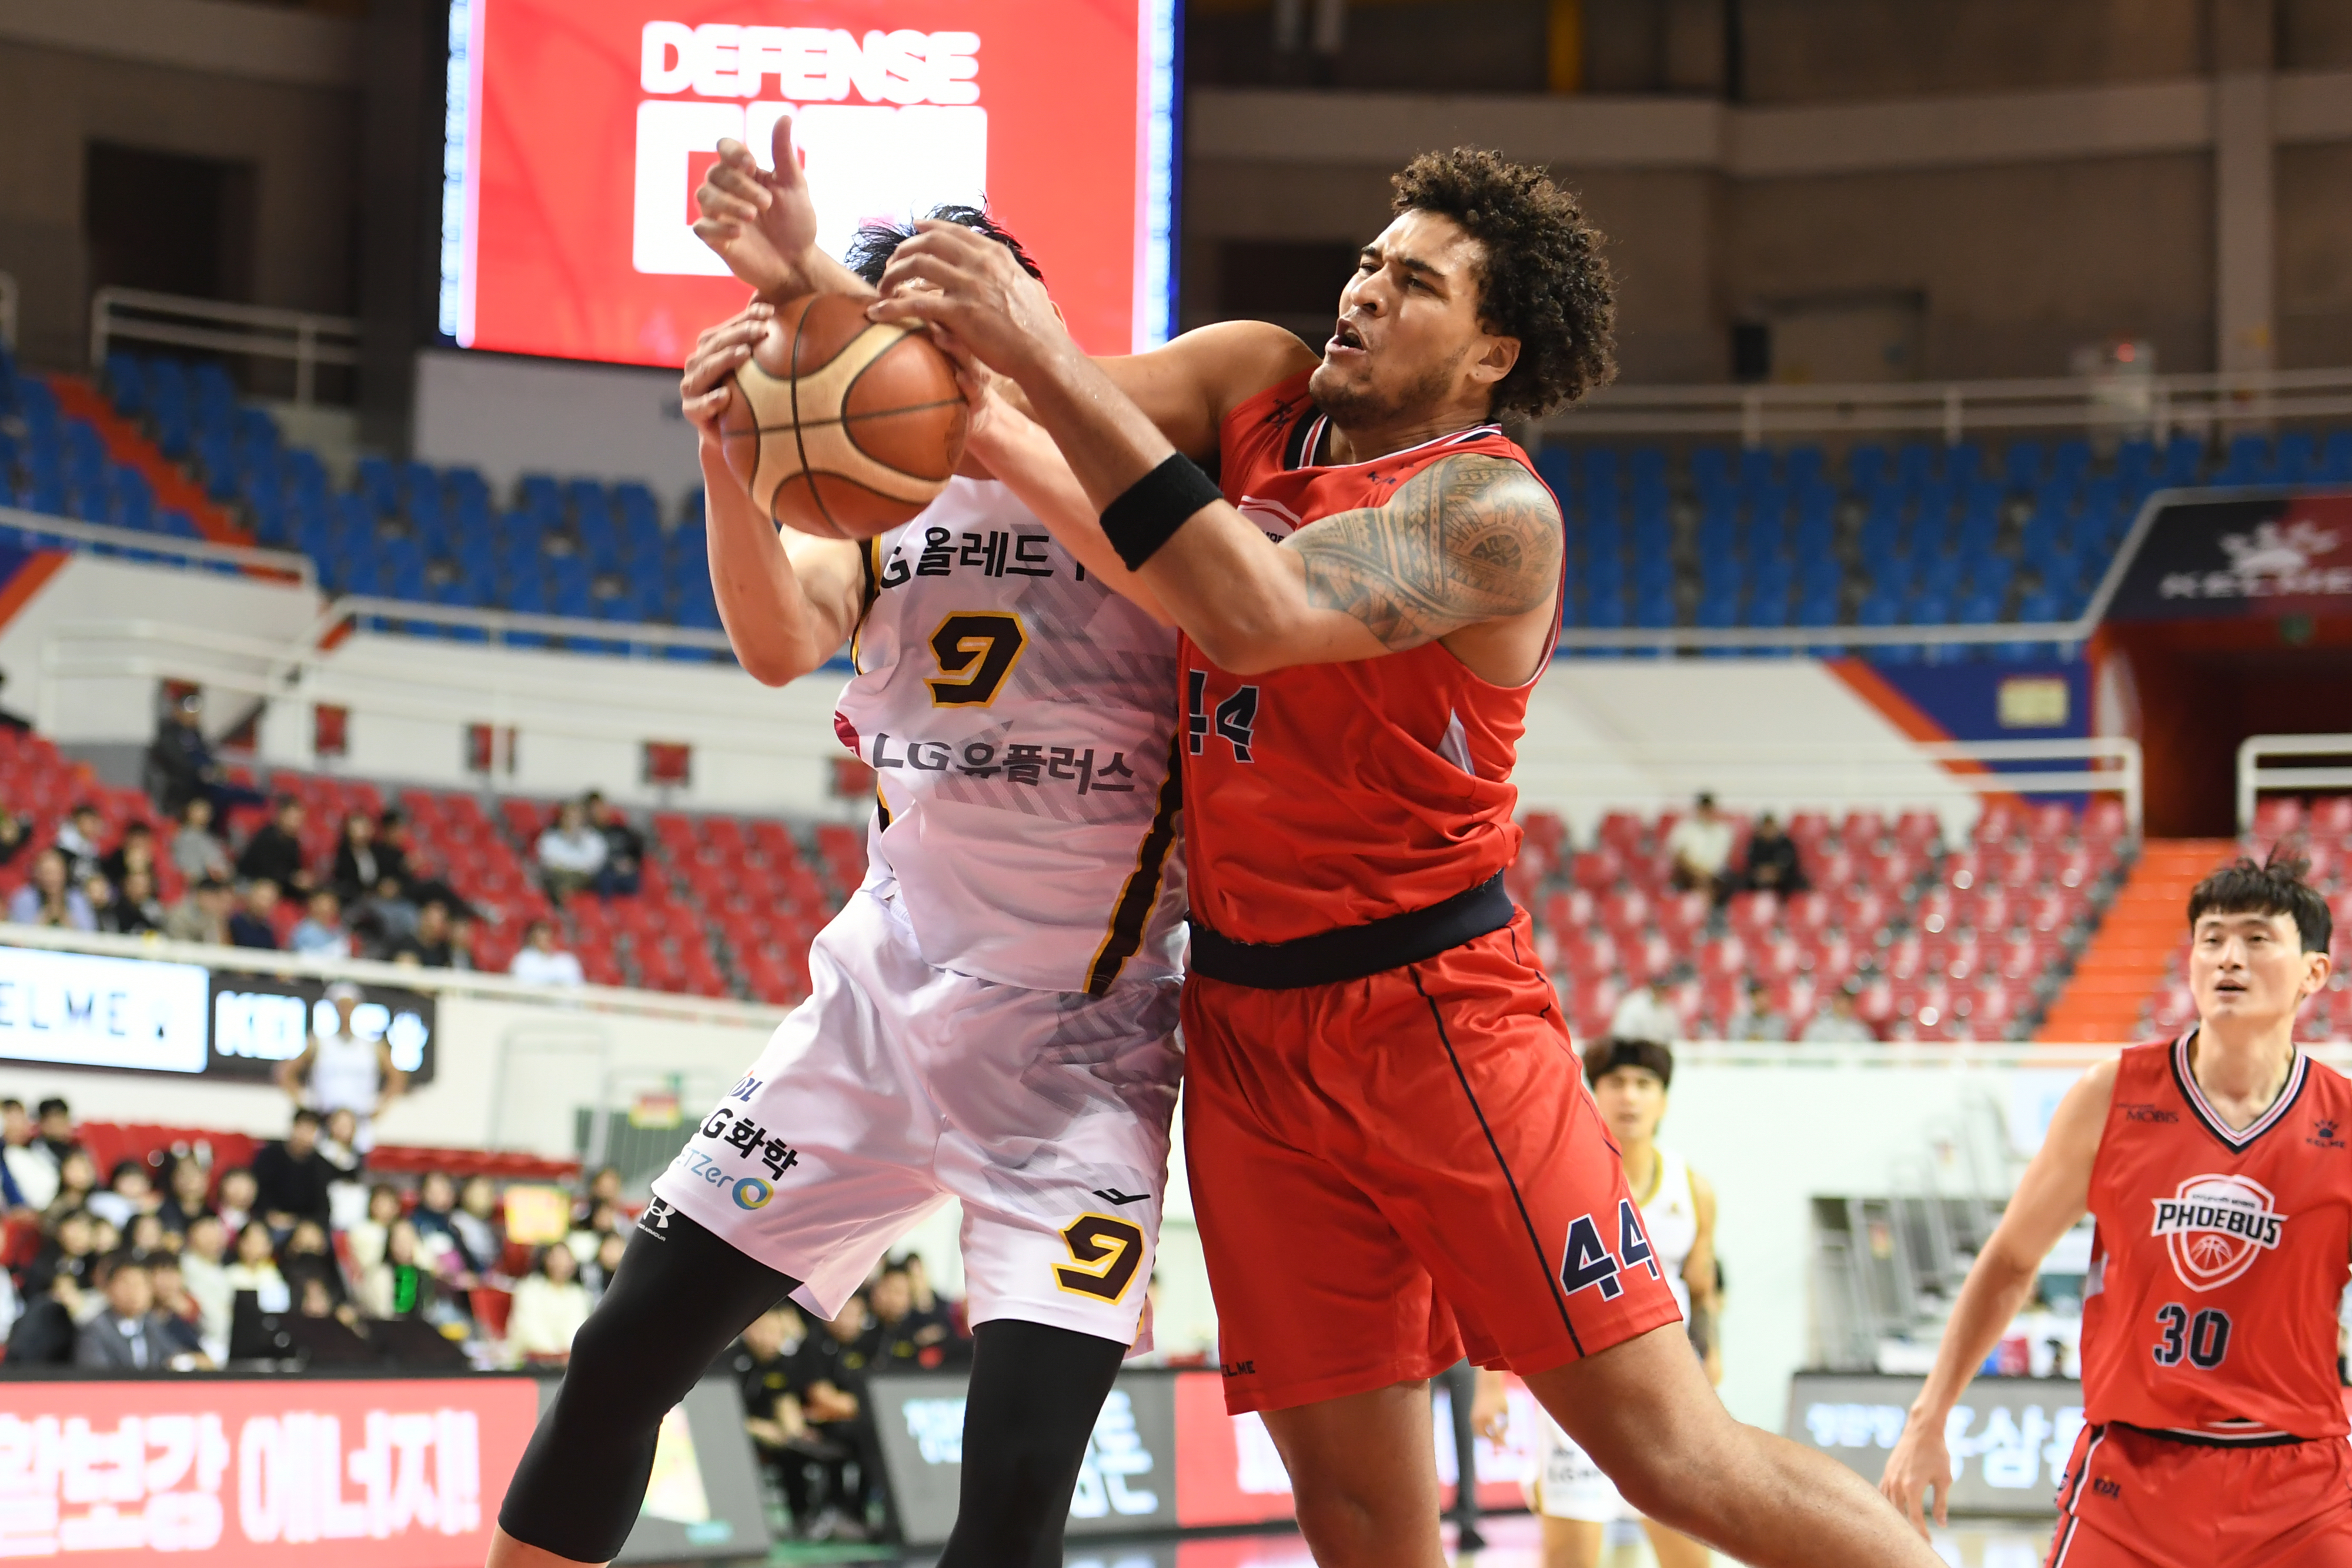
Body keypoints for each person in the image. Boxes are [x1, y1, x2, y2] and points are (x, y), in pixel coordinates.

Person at [861, 135, 1938, 1564]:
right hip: (1243, 1027)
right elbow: (971, 421)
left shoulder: (1491, 518)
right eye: (1367, 262)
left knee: (1673, 1462)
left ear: (1491, 350)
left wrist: (1036, 360)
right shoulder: (1254, 376)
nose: (1363, 291)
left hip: (1434, 1017)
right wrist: (818, 318)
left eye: (1412, 283)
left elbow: (1246, 608)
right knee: (1359, 1514)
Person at [485, 163, 1187, 1568]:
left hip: (1079, 1056)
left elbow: (1199, 585)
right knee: (623, 1355)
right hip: (879, 1010)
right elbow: (773, 641)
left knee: (1018, 1488)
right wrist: (729, 462)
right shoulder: (879, 508)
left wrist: (997, 414)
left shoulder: (1141, 486)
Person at [1881, 851, 2346, 1566]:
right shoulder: (2113, 1095)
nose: (2229, 957)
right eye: (2212, 938)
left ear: (2313, 972)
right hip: (2132, 1473)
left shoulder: (2343, 1123)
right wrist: (1928, 1416)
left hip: (2298, 1486)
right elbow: (2009, 1260)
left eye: (2257, 939)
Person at [1513, 1039, 1722, 1568]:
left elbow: (1702, 1286)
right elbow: (1516, 1285)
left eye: (1644, 1084)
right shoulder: (1556, 1178)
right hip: (1579, 1391)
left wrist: (1713, 1358)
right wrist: (1492, 1386)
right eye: (1616, 1082)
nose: (1630, 1096)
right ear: (1593, 1093)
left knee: (1691, 1551)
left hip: (1667, 1391)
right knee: (1570, 1557)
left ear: (1664, 1100)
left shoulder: (1693, 1187)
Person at [276, 980, 405, 1145]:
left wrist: (382, 1106)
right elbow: (286, 1072)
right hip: (325, 1122)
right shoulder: (318, 1043)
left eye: (349, 1006)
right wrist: (304, 1103)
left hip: (360, 1124)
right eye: (341, 1006)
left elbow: (397, 1076)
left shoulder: (373, 1046)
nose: (345, 1011)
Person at [145, 690, 265, 819]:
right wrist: (204, 773)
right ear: (177, 711)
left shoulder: (196, 735)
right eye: (189, 711)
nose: (193, 716)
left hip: (205, 785)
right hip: (184, 790)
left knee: (248, 795)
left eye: (196, 712)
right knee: (222, 795)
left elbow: (207, 758)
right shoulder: (168, 737)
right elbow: (180, 766)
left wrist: (216, 771)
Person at [76, 1252, 202, 1370]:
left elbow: (174, 1355)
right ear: (109, 1289)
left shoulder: (151, 1324)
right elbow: (95, 1376)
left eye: (141, 1285)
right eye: (127, 1284)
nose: (134, 1292)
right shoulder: (96, 1330)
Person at [251, 1108, 334, 1231]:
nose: (306, 1135)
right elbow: (257, 1188)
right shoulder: (270, 1154)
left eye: (311, 1130)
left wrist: (299, 1221)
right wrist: (270, 1215)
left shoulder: (320, 1165)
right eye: (303, 1128)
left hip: (303, 1225)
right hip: (268, 1219)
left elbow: (322, 1207)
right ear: (293, 1127)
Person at [508, 1245, 593, 1363]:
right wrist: (552, 1353)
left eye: (566, 1258)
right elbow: (528, 1326)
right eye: (556, 1257)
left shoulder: (578, 1294)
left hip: (568, 1361)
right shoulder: (529, 1288)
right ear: (545, 1259)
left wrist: (567, 1352)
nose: (561, 1263)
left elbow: (579, 1327)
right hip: (531, 1360)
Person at [178, 1212, 234, 1358]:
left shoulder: (223, 1271)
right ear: (190, 1235)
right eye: (206, 1233)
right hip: (196, 1343)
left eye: (216, 1233)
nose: (213, 1239)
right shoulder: (182, 1268)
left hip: (225, 1344)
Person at [1666, 792, 1736, 902]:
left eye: (1708, 809)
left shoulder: (1723, 831)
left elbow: (1723, 859)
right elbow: (1678, 855)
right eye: (1703, 809)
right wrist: (1696, 872)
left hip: (1714, 875)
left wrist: (1705, 874)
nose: (1706, 812)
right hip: (1689, 873)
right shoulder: (1685, 827)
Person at [533, 802, 607, 903]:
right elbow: (547, 859)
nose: (572, 820)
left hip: (584, 878)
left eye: (576, 817)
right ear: (562, 817)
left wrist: (574, 868)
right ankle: (560, 906)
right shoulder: (550, 837)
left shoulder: (593, 838)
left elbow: (595, 861)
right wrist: (567, 868)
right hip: (557, 875)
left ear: (583, 819)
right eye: (569, 816)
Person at [236, 797, 312, 894]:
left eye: (299, 820)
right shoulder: (266, 837)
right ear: (281, 816)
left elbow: (294, 868)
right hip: (250, 883)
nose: (296, 823)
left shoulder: (294, 843)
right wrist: (292, 878)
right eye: (292, 818)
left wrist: (302, 878)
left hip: (278, 886)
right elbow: (265, 871)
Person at [9, 847, 95, 930]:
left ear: (65, 873)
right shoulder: (24, 898)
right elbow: (19, 936)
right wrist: (46, 916)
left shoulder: (77, 899)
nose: (51, 878)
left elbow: (89, 934)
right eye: (47, 873)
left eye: (56, 873)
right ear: (37, 874)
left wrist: (65, 918)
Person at [3, 1097, 60, 1212]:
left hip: (54, 1205)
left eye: (22, 1120)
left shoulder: (39, 1148)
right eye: (12, 1121)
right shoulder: (5, 1155)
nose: (19, 1126)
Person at [582, 791, 644, 896]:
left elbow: (636, 853)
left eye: (601, 808)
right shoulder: (586, 833)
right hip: (598, 874)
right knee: (605, 876)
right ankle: (603, 910)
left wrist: (630, 863)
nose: (598, 812)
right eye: (594, 809)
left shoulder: (620, 831)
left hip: (623, 874)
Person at [224, 1221, 290, 1313]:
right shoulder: (229, 1274)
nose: (257, 1246)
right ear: (241, 1243)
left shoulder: (275, 1275)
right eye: (252, 1241)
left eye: (262, 1242)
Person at [170, 795, 233, 885]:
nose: (205, 813)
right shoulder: (185, 837)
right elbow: (190, 874)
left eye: (207, 810)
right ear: (189, 812)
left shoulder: (209, 836)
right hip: (201, 887)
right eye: (200, 810)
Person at [1740, 811, 1806, 896]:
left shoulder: (1786, 843)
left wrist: (1777, 873)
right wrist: (1762, 872)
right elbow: (1750, 864)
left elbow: (1792, 865)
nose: (1768, 830)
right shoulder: (1755, 844)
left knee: (1796, 884)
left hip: (1782, 879)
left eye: (1771, 827)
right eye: (1766, 827)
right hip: (1759, 879)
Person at [1609, 974, 1682, 1046]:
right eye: (1657, 988)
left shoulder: (1669, 1010)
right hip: (1635, 1052)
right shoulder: (1633, 1004)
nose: (1660, 992)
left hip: (1659, 1053)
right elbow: (1621, 1037)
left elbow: (1676, 1039)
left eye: (1664, 988)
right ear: (1651, 986)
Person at [509, 919, 585, 987]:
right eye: (538, 937)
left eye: (546, 935)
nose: (543, 940)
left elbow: (577, 987)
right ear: (531, 938)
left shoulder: (567, 961)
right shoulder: (523, 960)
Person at [164, 875, 233, 945]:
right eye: (216, 899)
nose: (218, 904)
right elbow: (180, 944)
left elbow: (216, 946)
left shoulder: (212, 917)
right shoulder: (179, 914)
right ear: (203, 895)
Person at [289, 888, 353, 957]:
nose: (329, 907)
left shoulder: (340, 931)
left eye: (333, 903)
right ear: (313, 905)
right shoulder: (304, 932)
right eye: (325, 903)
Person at [55, 802, 106, 886]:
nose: (95, 827)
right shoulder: (63, 847)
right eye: (91, 822)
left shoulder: (92, 847)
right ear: (78, 821)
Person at [102, 867, 165, 935]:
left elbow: (161, 933)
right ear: (127, 886)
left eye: (144, 886)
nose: (141, 890)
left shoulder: (154, 910)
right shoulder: (115, 911)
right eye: (137, 885)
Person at [1801, 988, 1877, 1044]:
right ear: (1834, 1003)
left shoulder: (1859, 1029)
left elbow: (1868, 1051)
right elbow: (1808, 1049)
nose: (1843, 1007)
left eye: (1847, 1003)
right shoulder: (1819, 1027)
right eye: (1840, 1002)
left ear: (1852, 1006)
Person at [1726, 978, 1789, 1043]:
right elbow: (1735, 1041)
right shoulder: (1739, 1019)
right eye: (1757, 996)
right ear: (1752, 998)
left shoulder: (1779, 1021)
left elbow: (1777, 1042)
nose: (1761, 1000)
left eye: (1764, 996)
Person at [228, 879, 281, 949]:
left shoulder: (269, 931)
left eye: (270, 900)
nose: (264, 904)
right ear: (251, 896)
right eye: (262, 898)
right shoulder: (233, 924)